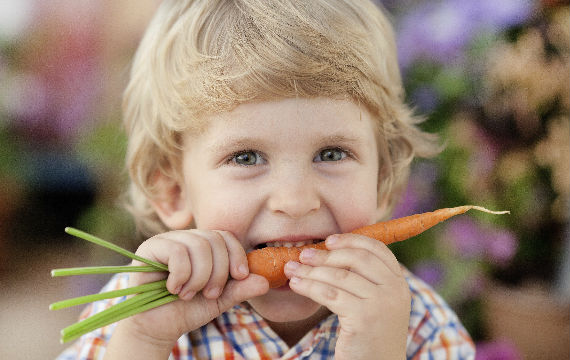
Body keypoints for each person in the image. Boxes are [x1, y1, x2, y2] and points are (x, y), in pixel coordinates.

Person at [57, 0, 476, 359]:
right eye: (246, 157)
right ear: (174, 191)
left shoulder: (418, 325)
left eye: (331, 154)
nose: (295, 200)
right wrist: (143, 341)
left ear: (383, 180)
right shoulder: (137, 313)